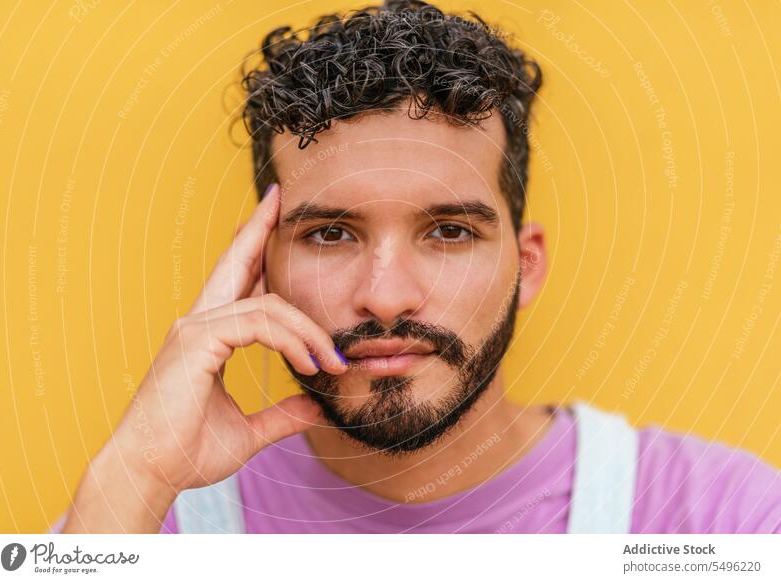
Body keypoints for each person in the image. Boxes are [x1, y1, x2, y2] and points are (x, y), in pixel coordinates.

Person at [51, 0, 781, 534]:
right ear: (261, 272)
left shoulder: (720, 519)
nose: (388, 296)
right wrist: (135, 474)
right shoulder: (140, 526)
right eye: (333, 233)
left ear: (526, 266)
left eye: (450, 231)